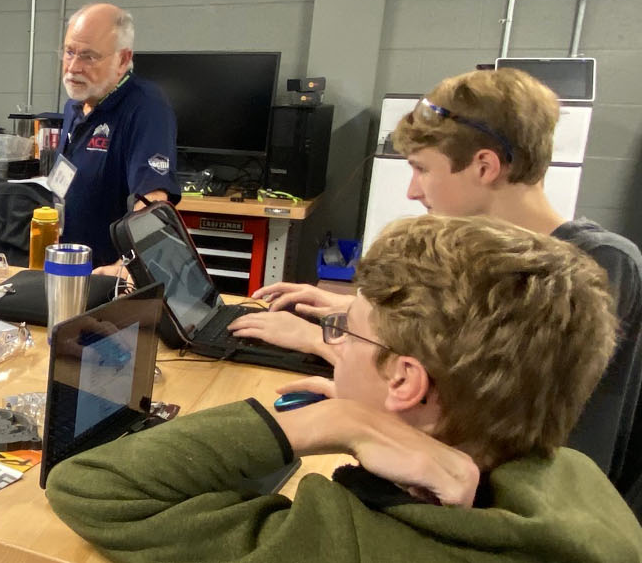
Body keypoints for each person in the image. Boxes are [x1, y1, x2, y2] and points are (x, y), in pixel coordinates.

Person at [47, 214, 642, 561]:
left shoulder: (350, 544)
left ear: (405, 380)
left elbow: (91, 486)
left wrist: (337, 423)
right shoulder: (580, 483)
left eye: (342, 332)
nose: (331, 343)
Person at [228, 68, 642, 512]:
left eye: (422, 169)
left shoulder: (593, 269)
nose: (411, 191)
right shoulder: (492, 264)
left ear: (484, 167)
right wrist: (365, 314)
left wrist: (324, 339)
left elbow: (497, 410)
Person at [55, 3, 178, 267]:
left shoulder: (147, 106)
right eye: (69, 52)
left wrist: (130, 267)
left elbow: (152, 201)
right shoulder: (75, 105)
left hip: (109, 280)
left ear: (123, 59)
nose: (73, 67)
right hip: (67, 266)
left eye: (88, 56)